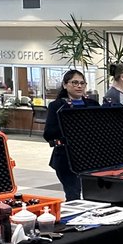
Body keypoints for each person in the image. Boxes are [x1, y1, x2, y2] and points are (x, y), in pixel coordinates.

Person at [43, 69, 99, 200]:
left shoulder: (93, 104)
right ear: (65, 85)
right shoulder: (57, 105)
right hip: (66, 159)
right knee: (73, 195)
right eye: (74, 83)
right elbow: (49, 134)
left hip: (91, 158)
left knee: (94, 195)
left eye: (82, 83)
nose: (79, 86)